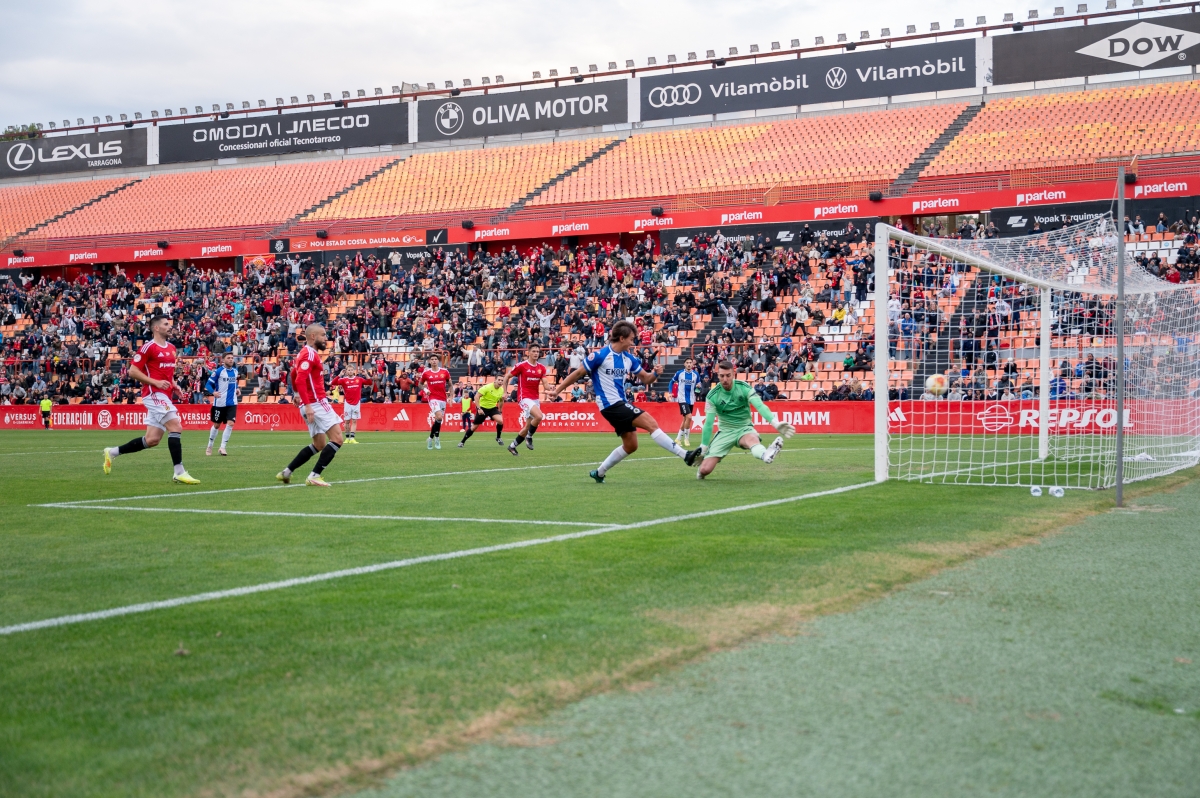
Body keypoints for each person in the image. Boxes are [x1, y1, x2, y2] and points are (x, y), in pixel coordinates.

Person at [549, 320, 701, 482]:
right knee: (651, 423)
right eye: (631, 339)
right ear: (622, 338)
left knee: (631, 445)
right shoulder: (600, 355)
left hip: (619, 404)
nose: (633, 342)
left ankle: (599, 473)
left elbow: (646, 379)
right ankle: (685, 455)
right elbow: (578, 373)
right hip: (609, 404)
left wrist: (656, 373)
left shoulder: (629, 358)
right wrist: (557, 390)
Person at [102, 314, 200, 484]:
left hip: (164, 394)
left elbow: (165, 373)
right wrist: (155, 382)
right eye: (166, 324)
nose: (170, 327)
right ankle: (179, 471)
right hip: (153, 394)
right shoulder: (148, 347)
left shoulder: (170, 347)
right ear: (156, 328)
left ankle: (112, 453)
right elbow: (133, 371)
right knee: (176, 426)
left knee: (152, 440)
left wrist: (173, 384)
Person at [695, 360, 796, 480]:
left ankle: (766, 454)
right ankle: (701, 471)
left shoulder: (744, 388)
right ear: (718, 376)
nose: (725, 379)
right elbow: (709, 423)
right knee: (704, 470)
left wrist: (775, 423)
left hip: (744, 428)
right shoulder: (712, 396)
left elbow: (760, 406)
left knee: (752, 440)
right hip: (725, 432)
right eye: (722, 376)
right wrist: (704, 447)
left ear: (733, 375)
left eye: (728, 375)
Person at [275, 324, 343, 487]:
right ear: (313, 336)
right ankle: (314, 475)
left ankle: (287, 472)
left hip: (310, 403)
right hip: (316, 403)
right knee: (338, 438)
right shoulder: (310, 355)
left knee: (319, 444)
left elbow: (293, 373)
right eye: (323, 335)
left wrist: (297, 395)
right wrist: (307, 404)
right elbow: (298, 379)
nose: (326, 338)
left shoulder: (303, 354)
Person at [506, 344, 547, 455]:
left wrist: (551, 389)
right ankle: (529, 437)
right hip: (524, 398)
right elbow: (506, 377)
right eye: (533, 351)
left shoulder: (541, 368)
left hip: (535, 399)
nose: (536, 353)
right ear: (528, 352)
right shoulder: (521, 366)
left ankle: (512, 446)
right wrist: (505, 392)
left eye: (537, 351)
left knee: (527, 426)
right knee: (539, 416)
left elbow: (546, 384)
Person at [204, 352, 239, 456]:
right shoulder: (218, 372)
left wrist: (237, 389)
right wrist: (213, 392)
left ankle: (222, 447)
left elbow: (234, 383)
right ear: (223, 360)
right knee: (216, 425)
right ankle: (210, 445)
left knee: (231, 423)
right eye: (228, 358)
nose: (231, 360)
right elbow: (208, 384)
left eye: (232, 358)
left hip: (232, 402)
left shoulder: (235, 371)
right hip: (219, 403)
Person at [460, 373, 507, 448]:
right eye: (499, 380)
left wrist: (500, 411)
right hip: (483, 408)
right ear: (495, 380)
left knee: (500, 421)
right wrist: (479, 408)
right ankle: (462, 441)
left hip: (492, 408)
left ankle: (498, 437)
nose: (500, 381)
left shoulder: (502, 390)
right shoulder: (487, 387)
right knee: (474, 427)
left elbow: (501, 400)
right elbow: (476, 397)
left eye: (502, 380)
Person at [417, 354, 451, 450]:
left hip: (443, 398)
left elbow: (450, 384)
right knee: (439, 416)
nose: (434, 361)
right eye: (432, 359)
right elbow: (420, 384)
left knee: (438, 420)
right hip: (432, 398)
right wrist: (425, 389)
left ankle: (431, 438)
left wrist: (451, 396)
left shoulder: (444, 372)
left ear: (438, 361)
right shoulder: (426, 373)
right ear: (429, 361)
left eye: (436, 359)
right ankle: (437, 438)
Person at [331, 364, 370, 444]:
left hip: (356, 403)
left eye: (351, 370)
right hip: (348, 403)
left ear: (353, 371)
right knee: (347, 421)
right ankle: (347, 438)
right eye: (348, 370)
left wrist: (366, 374)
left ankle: (352, 438)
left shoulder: (359, 379)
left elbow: (369, 382)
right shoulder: (344, 380)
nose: (350, 371)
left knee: (354, 421)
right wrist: (340, 375)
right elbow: (333, 383)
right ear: (346, 371)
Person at [669, 358, 700, 448]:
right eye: (687, 363)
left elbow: (698, 385)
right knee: (689, 417)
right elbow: (671, 382)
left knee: (685, 419)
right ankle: (686, 438)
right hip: (682, 399)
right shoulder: (679, 373)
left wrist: (698, 386)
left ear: (692, 364)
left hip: (691, 399)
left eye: (690, 362)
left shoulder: (696, 374)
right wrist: (670, 392)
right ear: (684, 364)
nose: (689, 364)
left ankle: (678, 438)